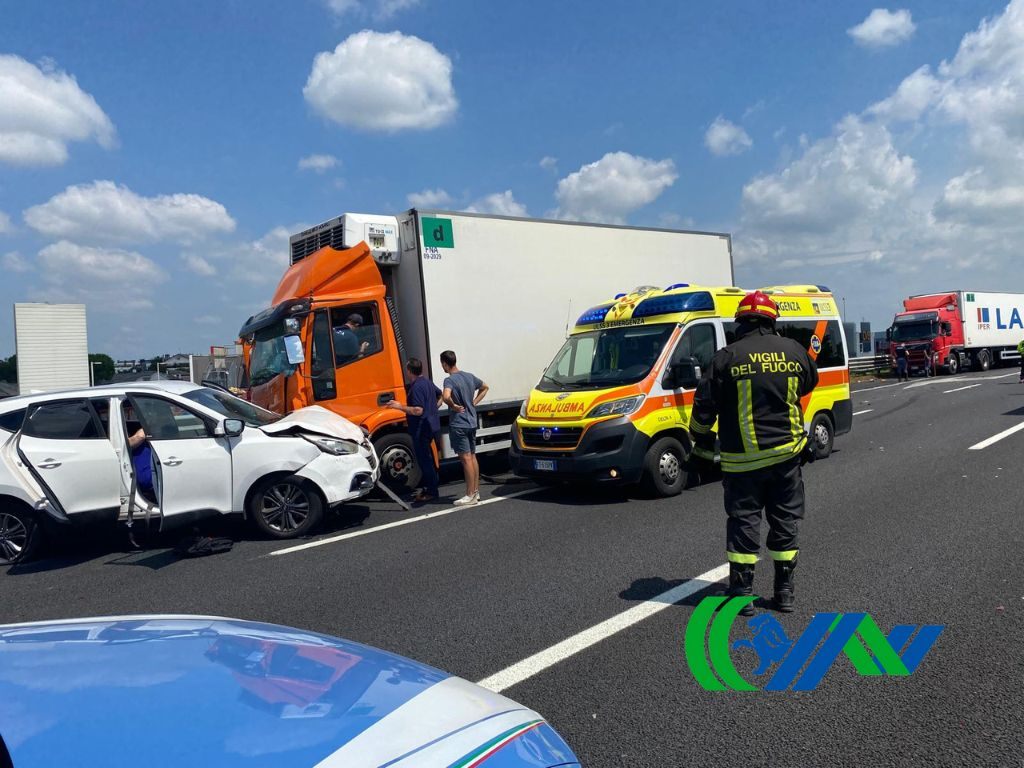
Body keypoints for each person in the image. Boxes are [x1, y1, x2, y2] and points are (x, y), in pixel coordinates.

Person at [689, 291, 819, 615]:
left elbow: (703, 407)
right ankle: (784, 592)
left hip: (741, 462)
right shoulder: (794, 351)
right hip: (787, 457)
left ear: (741, 322)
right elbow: (808, 383)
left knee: (744, 523)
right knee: (785, 521)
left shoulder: (725, 357)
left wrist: (701, 440)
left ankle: (742, 595)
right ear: (772, 321)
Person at [386, 358, 443, 504]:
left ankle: (431, 491)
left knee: (424, 460)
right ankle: (431, 487)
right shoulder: (427, 382)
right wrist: (433, 409)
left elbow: (418, 410)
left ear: (409, 371)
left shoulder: (417, 387)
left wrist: (399, 407)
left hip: (421, 428)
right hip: (432, 426)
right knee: (428, 459)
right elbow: (441, 395)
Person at [440, 350, 489, 506]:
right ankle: (476, 492)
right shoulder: (469, 376)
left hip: (459, 423)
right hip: (471, 422)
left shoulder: (449, 380)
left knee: (466, 459)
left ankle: (470, 495)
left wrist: (453, 406)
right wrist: (474, 403)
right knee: (472, 457)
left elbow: (446, 396)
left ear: (445, 364)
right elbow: (485, 387)